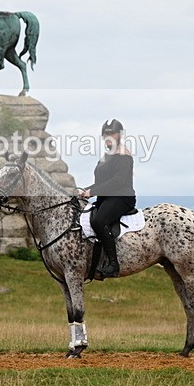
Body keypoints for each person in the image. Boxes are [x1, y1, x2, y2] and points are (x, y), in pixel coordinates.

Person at [78, 119, 136, 278]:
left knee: (99, 220)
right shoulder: (105, 157)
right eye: (106, 134)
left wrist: (93, 191)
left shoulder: (124, 155)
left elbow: (117, 182)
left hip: (122, 197)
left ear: (119, 135)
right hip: (106, 197)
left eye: (112, 133)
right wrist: (85, 190)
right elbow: (101, 183)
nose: (108, 136)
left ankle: (113, 264)